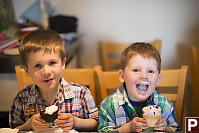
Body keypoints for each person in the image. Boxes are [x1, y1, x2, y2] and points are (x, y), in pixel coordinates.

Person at [9, 29, 98, 131]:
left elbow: (95, 123)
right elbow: (14, 129)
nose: (46, 71)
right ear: (27, 70)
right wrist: (28, 125)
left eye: (52, 63)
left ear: (63, 63)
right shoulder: (21, 99)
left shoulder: (81, 93)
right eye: (38, 66)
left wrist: (76, 122)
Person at [98, 42, 179, 132]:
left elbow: (175, 129)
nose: (144, 76)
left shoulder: (165, 105)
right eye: (136, 70)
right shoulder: (109, 105)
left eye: (150, 71)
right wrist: (128, 128)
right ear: (122, 76)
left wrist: (166, 128)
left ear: (158, 79)